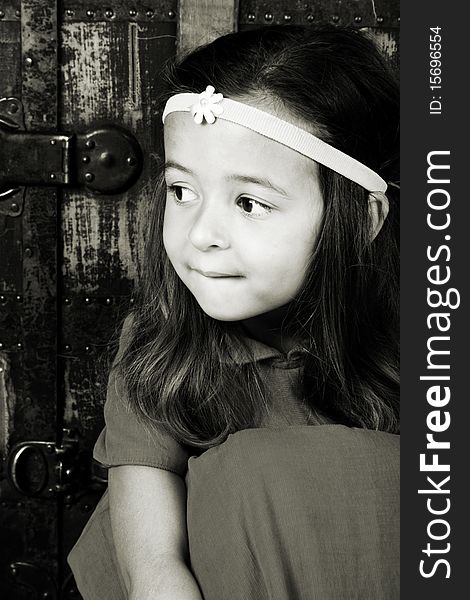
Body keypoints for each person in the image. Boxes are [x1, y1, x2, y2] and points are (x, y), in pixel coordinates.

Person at [68, 24, 400, 600]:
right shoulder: (159, 351)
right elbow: (153, 570)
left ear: (363, 221)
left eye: (250, 202)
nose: (201, 235)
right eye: (181, 191)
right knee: (248, 468)